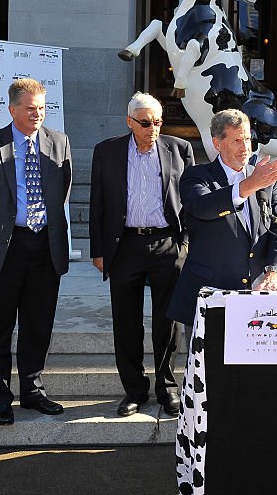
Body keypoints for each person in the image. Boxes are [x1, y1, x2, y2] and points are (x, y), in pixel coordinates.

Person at [0, 78, 72, 426]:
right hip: (5, 249)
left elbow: (61, 193)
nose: (37, 114)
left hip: (44, 245)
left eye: (41, 108)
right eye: (30, 108)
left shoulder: (59, 142)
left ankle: (33, 390)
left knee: (38, 325)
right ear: (12, 110)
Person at [89, 92, 194, 418]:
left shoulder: (179, 149)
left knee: (169, 322)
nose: (153, 128)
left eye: (158, 122)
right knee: (126, 322)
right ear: (130, 121)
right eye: (146, 123)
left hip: (167, 245)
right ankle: (134, 391)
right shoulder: (107, 151)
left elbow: (192, 199)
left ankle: (168, 388)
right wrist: (98, 249)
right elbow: (98, 204)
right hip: (125, 246)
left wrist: (186, 243)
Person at [166, 109, 277, 328]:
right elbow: (202, 207)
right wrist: (249, 185)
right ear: (217, 143)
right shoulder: (197, 176)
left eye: (247, 139)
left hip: (256, 295)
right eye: (236, 141)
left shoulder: (266, 180)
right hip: (210, 294)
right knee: (207, 362)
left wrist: (275, 271)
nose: (245, 148)